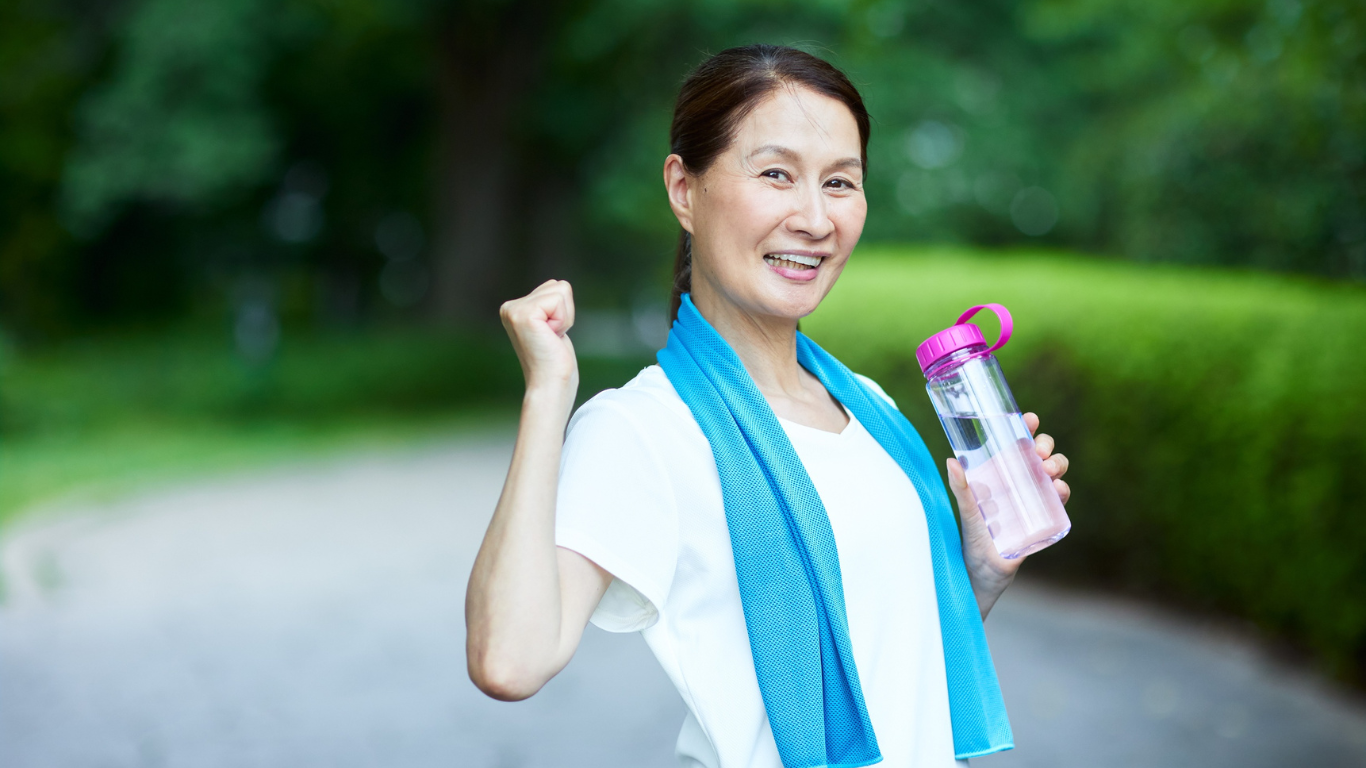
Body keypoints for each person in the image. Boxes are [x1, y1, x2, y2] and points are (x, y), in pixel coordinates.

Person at [465, 44, 1072, 768]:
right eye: (776, 174)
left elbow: (896, 676)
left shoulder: (872, 411)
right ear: (684, 189)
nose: (815, 219)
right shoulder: (645, 430)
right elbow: (509, 660)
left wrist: (978, 570)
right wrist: (547, 392)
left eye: (840, 183)